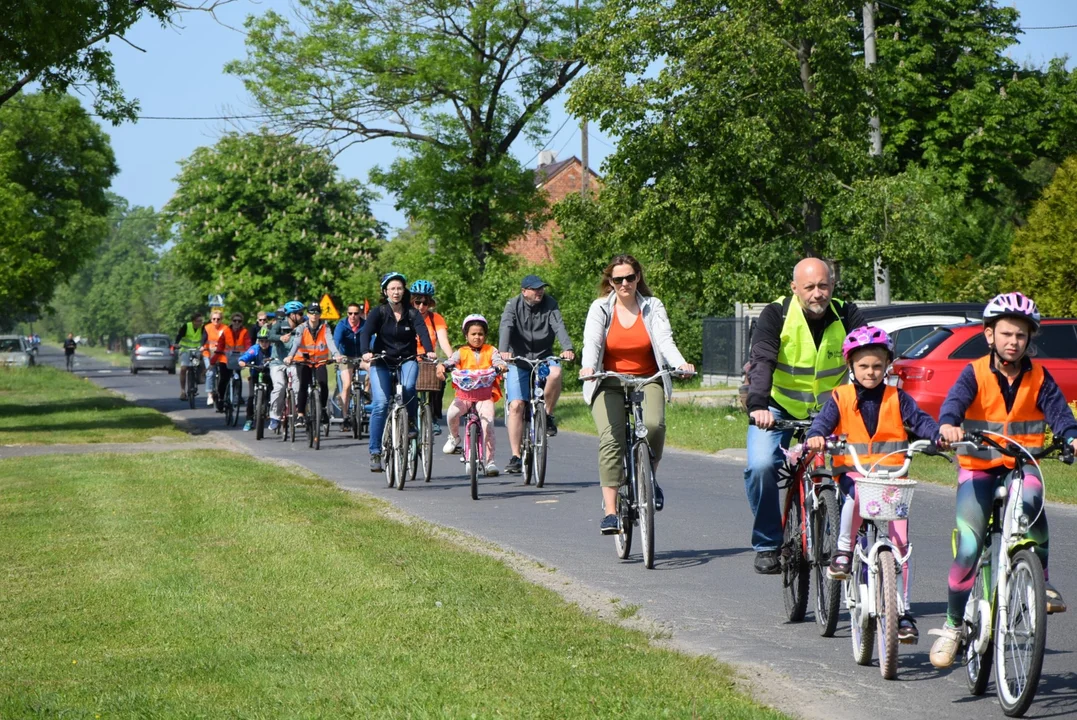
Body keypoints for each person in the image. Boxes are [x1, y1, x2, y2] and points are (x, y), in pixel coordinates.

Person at [928, 292, 1077, 668]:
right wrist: (947, 424)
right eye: (1006, 334)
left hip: (1021, 463)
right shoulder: (974, 372)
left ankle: (1038, 578)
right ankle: (952, 627)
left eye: (1021, 336)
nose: (1013, 342)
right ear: (989, 335)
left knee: (1032, 498)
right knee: (968, 547)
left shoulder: (1040, 377)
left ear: (1030, 340)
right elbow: (954, 404)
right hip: (978, 467)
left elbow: (1060, 415)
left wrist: (1072, 436)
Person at [805, 326, 939, 643]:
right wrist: (817, 435)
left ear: (887, 366)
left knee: (901, 545)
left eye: (878, 366)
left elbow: (920, 421)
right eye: (864, 366)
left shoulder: (898, 398)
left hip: (892, 478)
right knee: (853, 502)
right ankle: (843, 551)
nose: (871, 372)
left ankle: (902, 612)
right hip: (854, 473)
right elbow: (823, 422)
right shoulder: (841, 397)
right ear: (851, 366)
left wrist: (935, 436)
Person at [744, 258, 866, 574]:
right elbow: (762, 361)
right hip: (777, 407)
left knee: (862, 466)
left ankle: (856, 541)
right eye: (809, 287)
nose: (817, 293)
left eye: (823, 285)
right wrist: (758, 405)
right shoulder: (776, 314)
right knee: (761, 466)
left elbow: (868, 358)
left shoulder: (847, 314)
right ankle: (769, 543)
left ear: (832, 286)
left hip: (831, 409)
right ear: (795, 288)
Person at [580, 255, 695, 535]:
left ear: (638, 278)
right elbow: (592, 342)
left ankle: (648, 476)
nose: (624, 284)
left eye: (629, 277)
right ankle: (609, 511)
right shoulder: (601, 309)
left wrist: (679, 363)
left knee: (654, 425)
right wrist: (587, 367)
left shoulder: (652, 306)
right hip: (608, 380)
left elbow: (665, 339)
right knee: (612, 438)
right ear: (610, 282)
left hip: (647, 378)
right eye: (618, 279)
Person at [499, 274, 576, 474]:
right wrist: (503, 351)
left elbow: (558, 326)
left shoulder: (550, 304)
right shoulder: (512, 305)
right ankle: (516, 456)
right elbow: (506, 326)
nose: (539, 291)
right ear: (524, 291)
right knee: (516, 405)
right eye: (534, 289)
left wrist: (567, 347)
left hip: (543, 357)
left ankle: (548, 415)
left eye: (541, 288)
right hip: (518, 360)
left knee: (556, 372)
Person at [360, 272, 435, 472]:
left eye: (399, 288)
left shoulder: (412, 313)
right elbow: (366, 332)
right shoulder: (379, 312)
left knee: (410, 386)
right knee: (381, 404)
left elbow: (422, 331)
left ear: (404, 291)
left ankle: (410, 422)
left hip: (407, 359)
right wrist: (366, 352)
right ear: (385, 291)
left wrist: (429, 350)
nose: (396, 292)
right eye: (392, 288)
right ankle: (375, 452)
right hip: (382, 361)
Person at [438, 314, 508, 476]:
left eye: (480, 334)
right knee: (452, 414)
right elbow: (450, 362)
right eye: (473, 334)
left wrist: (501, 366)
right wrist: (443, 366)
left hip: (485, 395)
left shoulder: (491, 350)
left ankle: (490, 461)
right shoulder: (461, 352)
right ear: (466, 335)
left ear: (485, 335)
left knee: (488, 424)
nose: (477, 337)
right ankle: (454, 438)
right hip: (464, 396)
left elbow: (498, 361)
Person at [284, 302, 344, 429]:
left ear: (320, 314)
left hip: (319, 362)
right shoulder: (301, 328)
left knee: (323, 384)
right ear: (308, 314)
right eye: (311, 312)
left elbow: (331, 342)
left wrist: (336, 355)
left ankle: (322, 409)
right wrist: (290, 356)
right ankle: (300, 414)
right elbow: (296, 343)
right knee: (303, 386)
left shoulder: (325, 328)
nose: (314, 315)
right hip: (303, 361)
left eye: (317, 312)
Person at [410, 280, 454, 436]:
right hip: (409, 357)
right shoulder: (405, 316)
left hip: (429, 359)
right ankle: (408, 418)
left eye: (425, 303)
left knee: (440, 379)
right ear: (412, 301)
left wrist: (452, 359)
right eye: (417, 302)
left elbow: (443, 341)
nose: (421, 307)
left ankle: (434, 417)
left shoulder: (436, 319)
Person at [266, 301, 305, 432]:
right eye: (300, 313)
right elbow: (270, 335)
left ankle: (297, 413)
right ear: (291, 315)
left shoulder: (303, 326)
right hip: (278, 362)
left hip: (294, 362)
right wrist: (280, 338)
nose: (302, 316)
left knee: (297, 384)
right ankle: (275, 417)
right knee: (279, 386)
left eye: (302, 313)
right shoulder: (280, 324)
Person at [333, 301, 368, 433]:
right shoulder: (342, 325)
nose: (353, 316)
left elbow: (372, 339)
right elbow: (336, 341)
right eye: (350, 313)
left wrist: (371, 352)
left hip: (361, 357)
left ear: (360, 314)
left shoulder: (365, 325)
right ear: (347, 314)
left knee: (373, 369)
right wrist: (336, 355)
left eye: (356, 313)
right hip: (345, 357)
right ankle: (345, 415)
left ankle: (366, 396)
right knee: (347, 384)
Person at [216, 312, 252, 415]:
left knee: (238, 378)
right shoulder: (226, 331)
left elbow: (248, 344)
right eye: (235, 320)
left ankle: (238, 396)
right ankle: (221, 399)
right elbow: (220, 344)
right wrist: (218, 352)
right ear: (231, 321)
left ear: (241, 322)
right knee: (224, 379)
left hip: (238, 359)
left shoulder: (245, 332)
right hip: (225, 359)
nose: (237, 323)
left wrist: (248, 353)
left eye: (239, 321)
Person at [238, 326, 274, 430]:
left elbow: (278, 358)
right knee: (250, 397)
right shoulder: (255, 349)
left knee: (273, 393)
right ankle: (249, 420)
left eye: (266, 341)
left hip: (269, 375)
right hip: (255, 374)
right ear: (259, 341)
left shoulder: (273, 350)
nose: (264, 343)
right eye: (262, 341)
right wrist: (242, 361)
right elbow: (245, 356)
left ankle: (272, 414)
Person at [175, 312, 205, 400]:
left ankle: (198, 378)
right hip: (185, 350)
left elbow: (205, 338)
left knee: (198, 365)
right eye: (198, 321)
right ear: (193, 321)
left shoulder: (202, 328)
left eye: (201, 321)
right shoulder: (186, 326)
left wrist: (204, 346)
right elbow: (179, 335)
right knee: (184, 368)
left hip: (196, 351)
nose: (200, 323)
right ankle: (183, 391)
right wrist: (176, 344)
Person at [202, 311, 227, 408]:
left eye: (218, 319)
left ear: (221, 319)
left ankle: (222, 395)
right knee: (211, 372)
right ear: (211, 319)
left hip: (220, 354)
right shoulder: (207, 328)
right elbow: (203, 338)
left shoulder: (225, 328)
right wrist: (201, 346)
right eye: (214, 319)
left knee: (224, 372)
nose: (216, 321)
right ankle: (210, 395)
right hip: (208, 353)